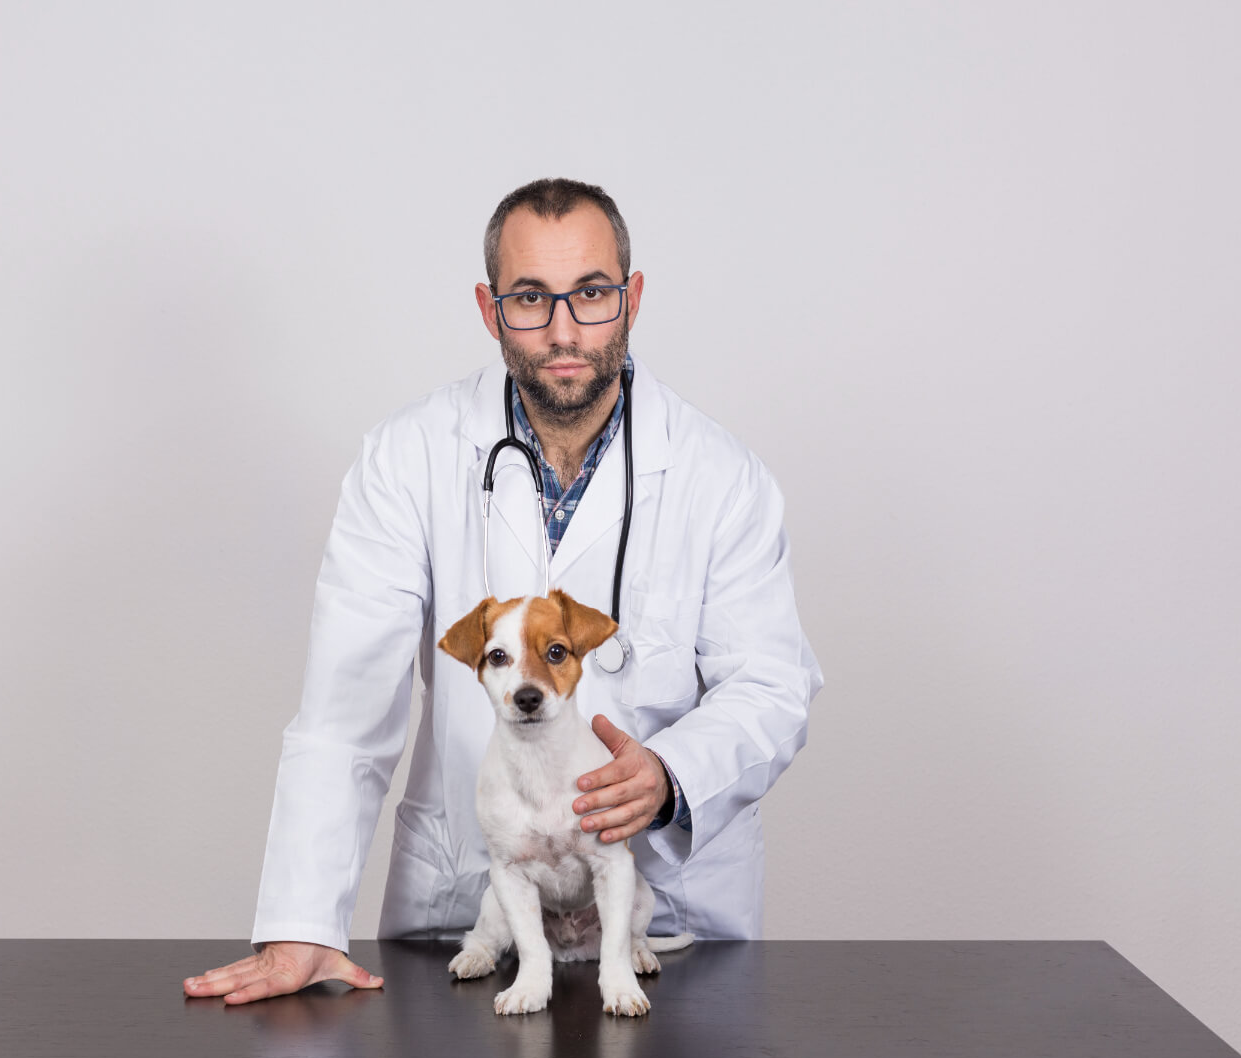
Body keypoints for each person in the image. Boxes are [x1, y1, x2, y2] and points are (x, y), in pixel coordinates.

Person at [184, 178, 822, 1004]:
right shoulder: (406, 458)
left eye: (590, 293)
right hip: (467, 904)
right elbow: (344, 709)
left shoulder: (720, 476)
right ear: (490, 310)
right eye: (530, 298)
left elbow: (771, 683)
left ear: (630, 298)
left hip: (674, 922)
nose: (563, 329)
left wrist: (668, 774)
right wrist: (302, 924)